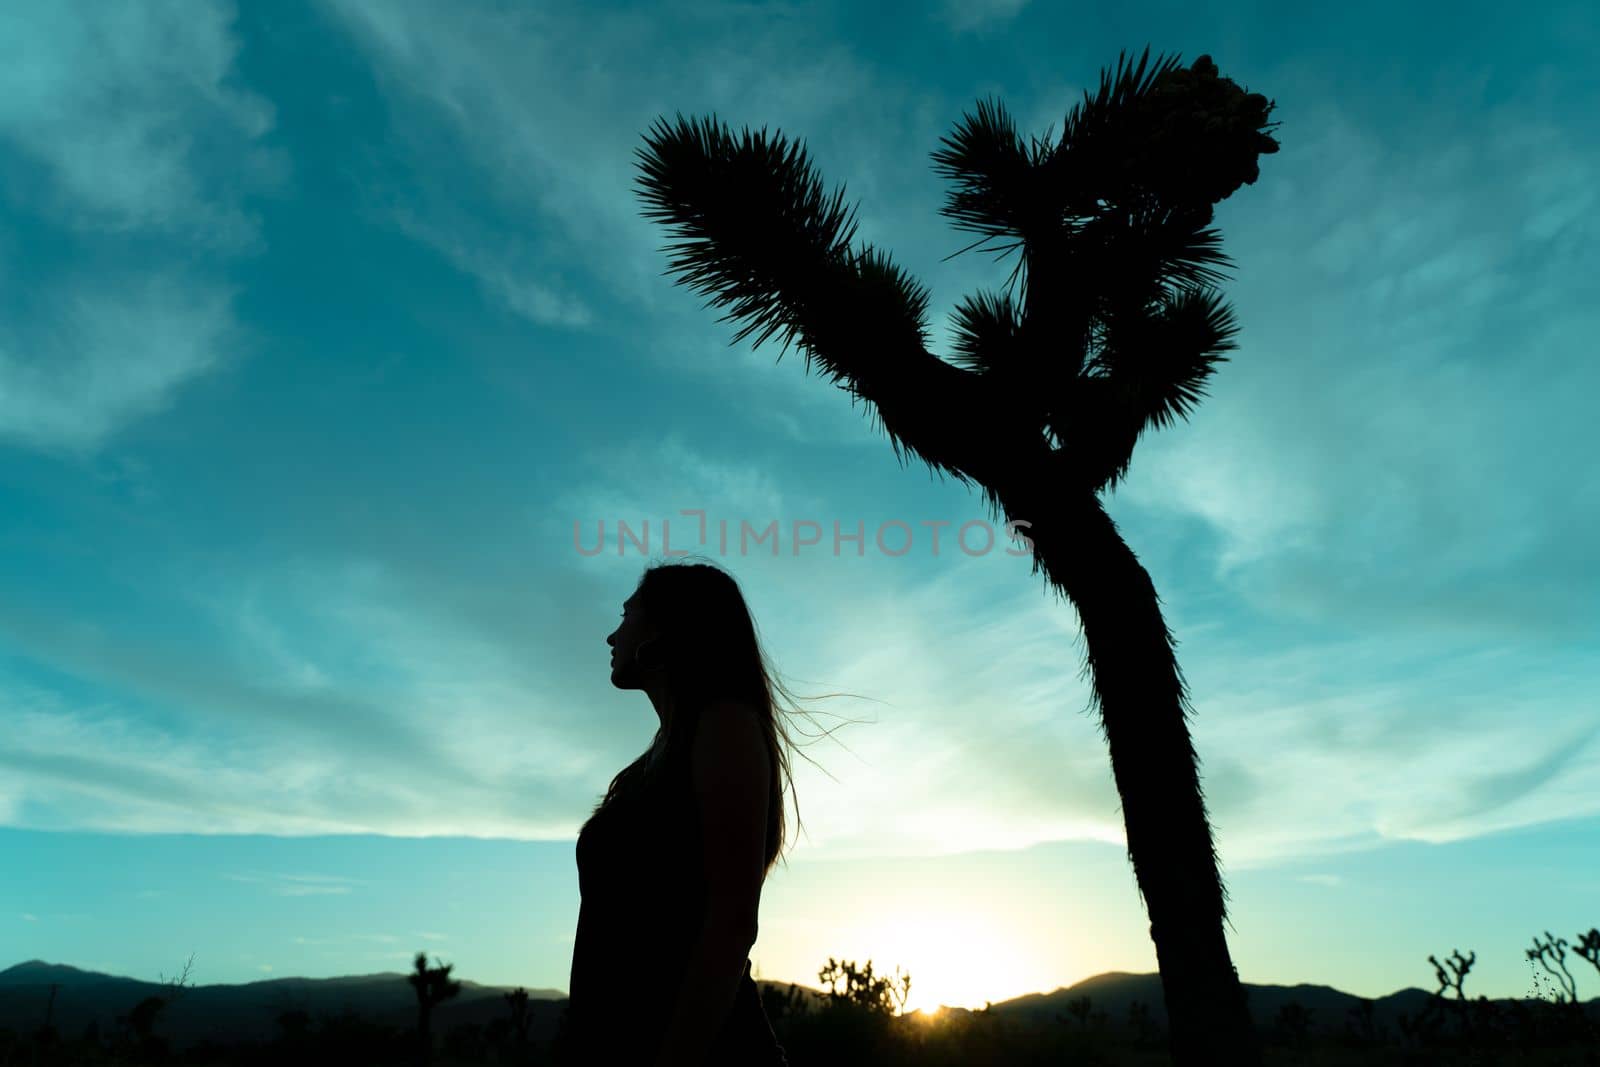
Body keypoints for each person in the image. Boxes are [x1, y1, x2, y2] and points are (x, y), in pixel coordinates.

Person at [559, 559, 795, 1065]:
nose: (610, 636)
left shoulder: (725, 725)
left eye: (626, 615)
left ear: (664, 631)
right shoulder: (663, 756)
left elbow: (732, 924)